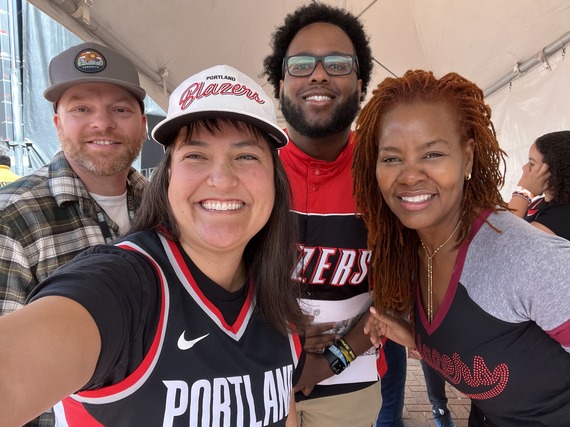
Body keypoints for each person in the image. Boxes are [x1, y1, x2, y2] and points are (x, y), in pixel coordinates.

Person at [0, 64, 305, 426]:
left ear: (274, 176)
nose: (222, 180)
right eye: (196, 155)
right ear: (168, 175)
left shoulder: (275, 294)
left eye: (246, 156)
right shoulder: (126, 284)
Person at [352, 69, 570, 426]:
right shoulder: (413, 250)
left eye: (432, 154)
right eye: (391, 158)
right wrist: (416, 339)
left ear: (466, 158)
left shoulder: (524, 257)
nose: (409, 175)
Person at [262, 3, 404, 426]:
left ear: (360, 84)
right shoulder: (249, 167)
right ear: (281, 82)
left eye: (337, 64)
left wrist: (325, 364)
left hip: (351, 385)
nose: (319, 75)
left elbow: (396, 295)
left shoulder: (389, 171)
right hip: (251, 377)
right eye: (301, 64)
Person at [0, 41, 148, 426]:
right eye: (82, 108)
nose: (102, 123)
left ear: (143, 123)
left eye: (120, 109)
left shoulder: (163, 208)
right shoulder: (11, 217)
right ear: (57, 122)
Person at [508, 130, 570, 240]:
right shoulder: (539, 203)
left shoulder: (563, 216)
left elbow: (502, 239)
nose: (525, 168)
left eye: (532, 163)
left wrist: (523, 192)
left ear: (555, 171)